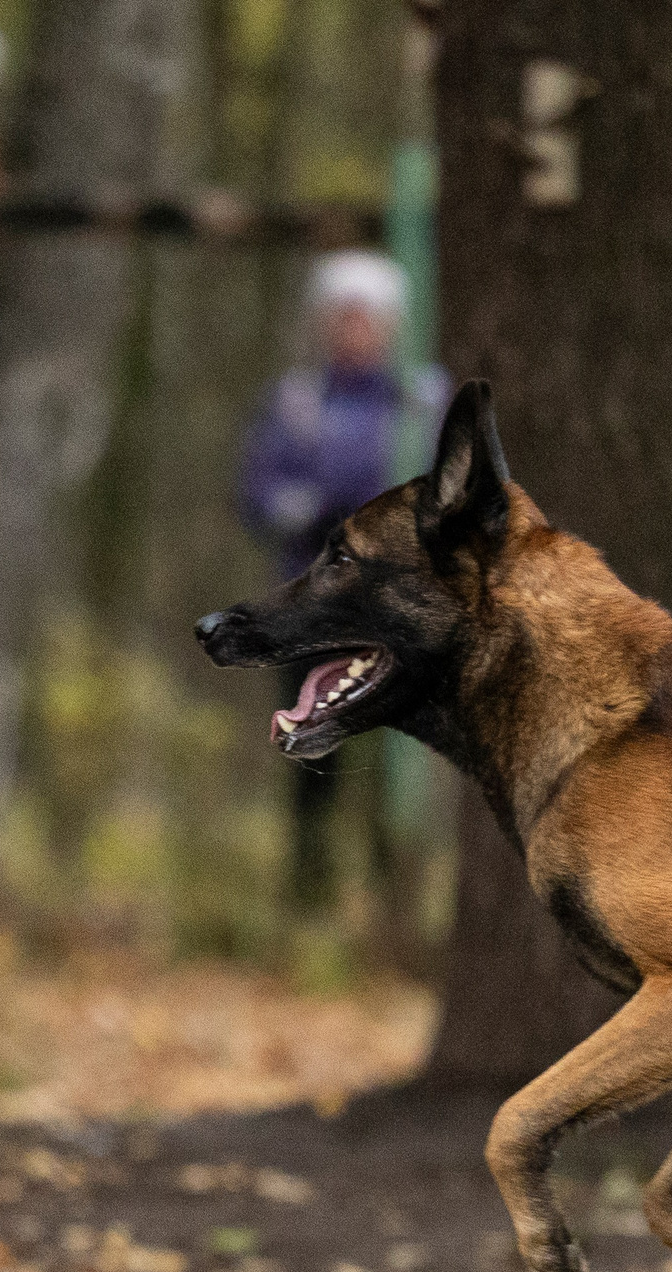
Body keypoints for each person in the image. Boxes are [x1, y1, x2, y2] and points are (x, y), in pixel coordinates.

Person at [237, 251, 439, 911]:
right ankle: (308, 892)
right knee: (312, 748)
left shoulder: (421, 403)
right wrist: (304, 506)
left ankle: (392, 899)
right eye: (343, 317)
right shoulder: (296, 404)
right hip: (312, 606)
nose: (355, 330)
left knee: (394, 755)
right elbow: (260, 490)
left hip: (395, 611)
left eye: (367, 318)